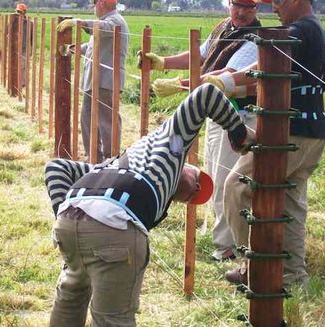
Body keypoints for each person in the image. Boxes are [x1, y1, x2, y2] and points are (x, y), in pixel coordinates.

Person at [45, 82, 253, 327]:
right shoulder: (171, 144)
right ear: (185, 166)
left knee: (70, 299)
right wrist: (239, 134)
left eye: (191, 199)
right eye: (198, 180)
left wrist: (67, 220)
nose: (195, 190)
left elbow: (56, 168)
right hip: (111, 222)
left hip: (73, 222)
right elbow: (206, 94)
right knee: (113, 319)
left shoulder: (112, 166)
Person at [220, 0, 325, 286]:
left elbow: (267, 65)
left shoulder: (295, 32)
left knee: (236, 186)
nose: (275, 10)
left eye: (278, 2)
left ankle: (250, 267)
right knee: (291, 203)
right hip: (314, 129)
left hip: (288, 131)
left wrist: (229, 81)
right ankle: (294, 276)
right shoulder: (319, 32)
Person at [144, 0, 262, 262]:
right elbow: (201, 55)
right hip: (216, 115)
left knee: (225, 180)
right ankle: (222, 239)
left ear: (257, 8)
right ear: (229, 2)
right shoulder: (224, 26)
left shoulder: (255, 39)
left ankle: (229, 247)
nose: (242, 11)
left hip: (237, 116)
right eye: (238, 4)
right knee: (213, 173)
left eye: (248, 6)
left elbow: (223, 75)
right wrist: (164, 62)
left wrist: (181, 84)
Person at [56, 0, 129, 162]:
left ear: (102, 4)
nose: (93, 7)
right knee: (87, 119)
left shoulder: (114, 21)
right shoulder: (104, 20)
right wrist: (74, 49)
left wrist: (78, 22)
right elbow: (92, 46)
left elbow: (103, 29)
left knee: (106, 122)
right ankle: (93, 159)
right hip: (94, 81)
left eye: (95, 3)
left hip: (106, 81)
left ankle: (110, 159)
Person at [15, 3, 33, 88]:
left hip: (24, 47)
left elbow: (32, 37)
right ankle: (16, 80)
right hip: (15, 47)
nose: (18, 13)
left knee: (24, 66)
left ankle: (23, 83)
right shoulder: (13, 21)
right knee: (16, 64)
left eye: (20, 12)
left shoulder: (30, 23)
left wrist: (31, 49)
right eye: (17, 11)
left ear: (24, 12)